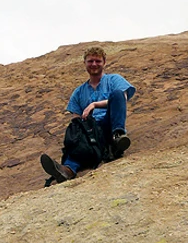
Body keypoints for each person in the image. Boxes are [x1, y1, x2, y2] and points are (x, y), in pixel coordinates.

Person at [41, 46, 136, 182]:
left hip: (108, 124)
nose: (94, 64)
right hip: (92, 131)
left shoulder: (114, 80)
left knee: (117, 94)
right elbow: (76, 119)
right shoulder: (78, 92)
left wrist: (95, 104)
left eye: (98, 61)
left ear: (104, 62)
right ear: (85, 63)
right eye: (90, 61)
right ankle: (67, 170)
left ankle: (118, 137)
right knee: (77, 137)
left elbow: (121, 99)